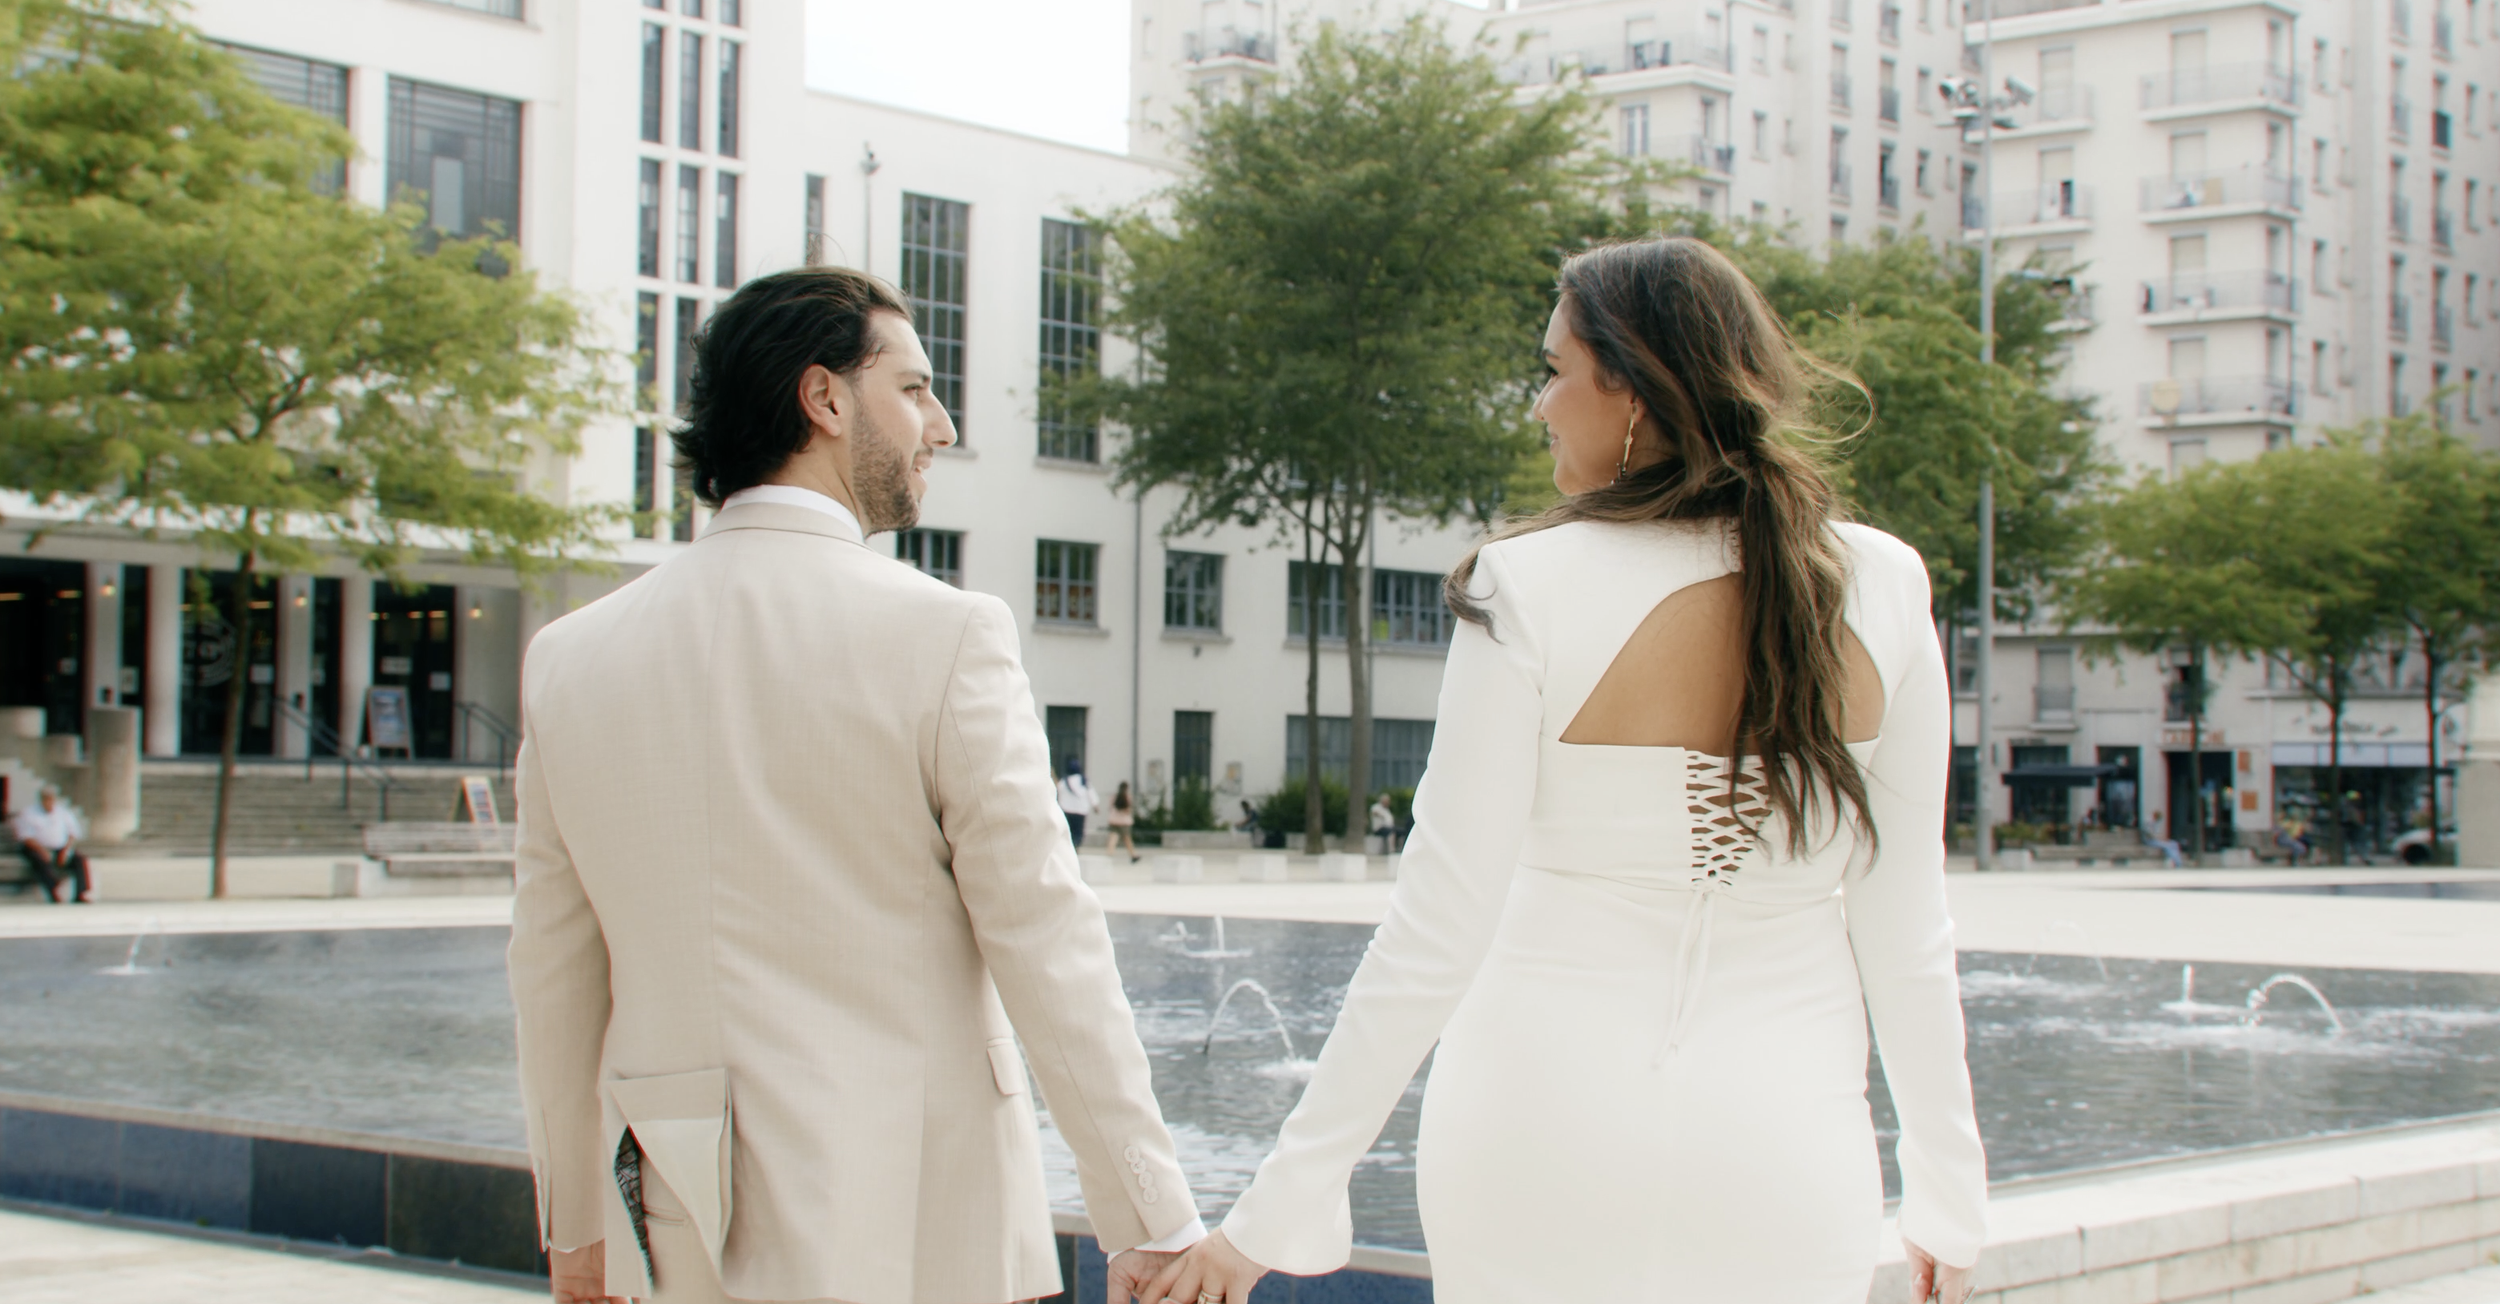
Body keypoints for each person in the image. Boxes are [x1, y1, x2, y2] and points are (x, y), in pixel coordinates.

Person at [1148, 237, 1986, 1304]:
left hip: (1537, 1130)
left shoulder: (1523, 584)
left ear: (1629, 388)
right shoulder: (1884, 580)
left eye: (1552, 371)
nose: (1537, 404)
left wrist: (1274, 1208)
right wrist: (1949, 1191)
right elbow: (1906, 926)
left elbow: (1435, 928)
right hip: (1784, 1147)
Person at [507, 267, 1203, 1304]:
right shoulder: (945, 632)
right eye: (915, 388)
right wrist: (1150, 1212)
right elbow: (1044, 936)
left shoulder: (568, 657)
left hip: (678, 1214)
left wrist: (575, 1224)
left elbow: (552, 972)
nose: (943, 423)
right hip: (923, 1220)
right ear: (825, 399)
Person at [13, 786, 91, 904]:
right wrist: (42, 851)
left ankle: (80, 893)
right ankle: (53, 890)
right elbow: (25, 837)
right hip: (36, 848)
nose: (49, 802)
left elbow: (73, 833)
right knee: (39, 860)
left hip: (59, 848)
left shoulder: (63, 813)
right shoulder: (29, 813)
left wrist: (65, 851)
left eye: (51, 799)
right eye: (46, 799)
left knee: (79, 860)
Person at [1055, 759, 1098, 846]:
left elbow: (1057, 790)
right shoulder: (1083, 781)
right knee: (1078, 831)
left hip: (1067, 810)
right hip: (1081, 810)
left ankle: (1070, 846)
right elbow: (1091, 793)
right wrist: (1095, 805)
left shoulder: (1064, 781)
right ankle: (1076, 846)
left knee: (1069, 830)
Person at [1106, 780, 1142, 863]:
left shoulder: (1114, 796)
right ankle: (1133, 854)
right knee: (1127, 839)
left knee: (1113, 838)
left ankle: (1109, 854)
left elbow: (1110, 807)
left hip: (1114, 820)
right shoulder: (1127, 797)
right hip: (1124, 822)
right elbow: (1128, 810)